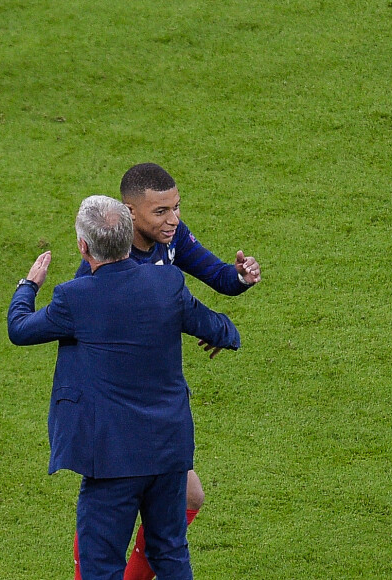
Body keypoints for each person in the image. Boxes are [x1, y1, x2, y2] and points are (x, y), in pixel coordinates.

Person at [8, 195, 241, 580]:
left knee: (101, 567)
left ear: (84, 247)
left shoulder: (74, 297)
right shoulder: (167, 282)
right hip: (168, 449)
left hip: (111, 458)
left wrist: (28, 285)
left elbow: (20, 329)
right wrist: (227, 335)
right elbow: (215, 326)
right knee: (171, 555)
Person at [74, 164, 261, 580]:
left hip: (155, 411)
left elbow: (217, 276)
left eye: (176, 208)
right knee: (118, 529)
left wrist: (241, 278)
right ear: (128, 212)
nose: (173, 220)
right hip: (120, 420)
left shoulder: (171, 238)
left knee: (189, 498)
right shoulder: (99, 269)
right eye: (161, 211)